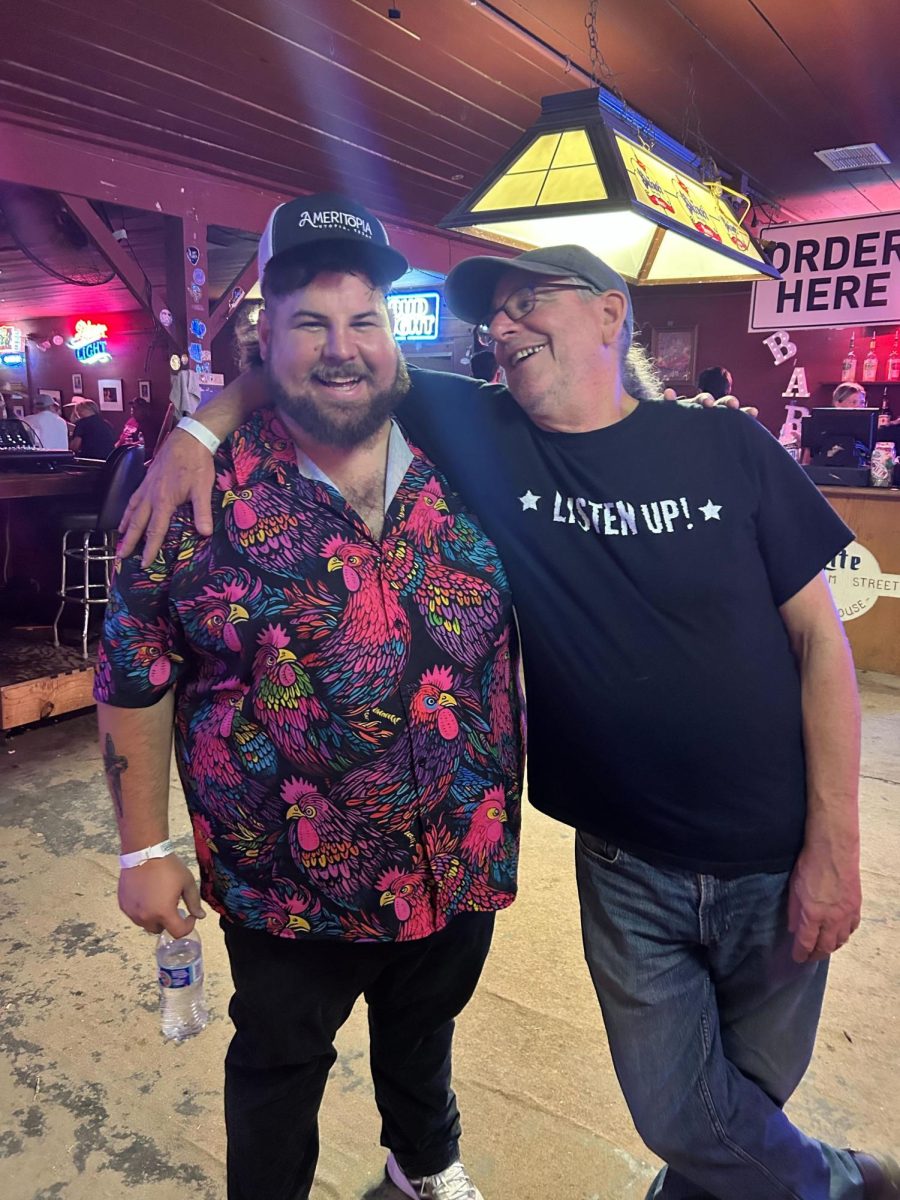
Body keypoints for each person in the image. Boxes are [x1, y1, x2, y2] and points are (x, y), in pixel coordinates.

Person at [119, 231, 898, 1198]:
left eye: (535, 300)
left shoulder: (707, 443)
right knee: (671, 1110)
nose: (505, 322)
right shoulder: (457, 442)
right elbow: (307, 371)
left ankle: (470, 1171)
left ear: (612, 312)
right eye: (496, 310)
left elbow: (824, 647)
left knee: (726, 1107)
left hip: (689, 849)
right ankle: (842, 1184)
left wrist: (837, 842)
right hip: (544, 866)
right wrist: (196, 430)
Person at [95, 194, 523, 1200]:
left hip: (457, 845)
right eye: (311, 323)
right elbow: (134, 675)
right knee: (281, 1062)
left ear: (393, 334)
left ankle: (425, 1165)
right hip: (286, 875)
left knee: (426, 1031)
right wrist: (143, 850)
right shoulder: (189, 496)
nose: (343, 348)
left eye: (363, 318)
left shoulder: (475, 454)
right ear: (263, 339)